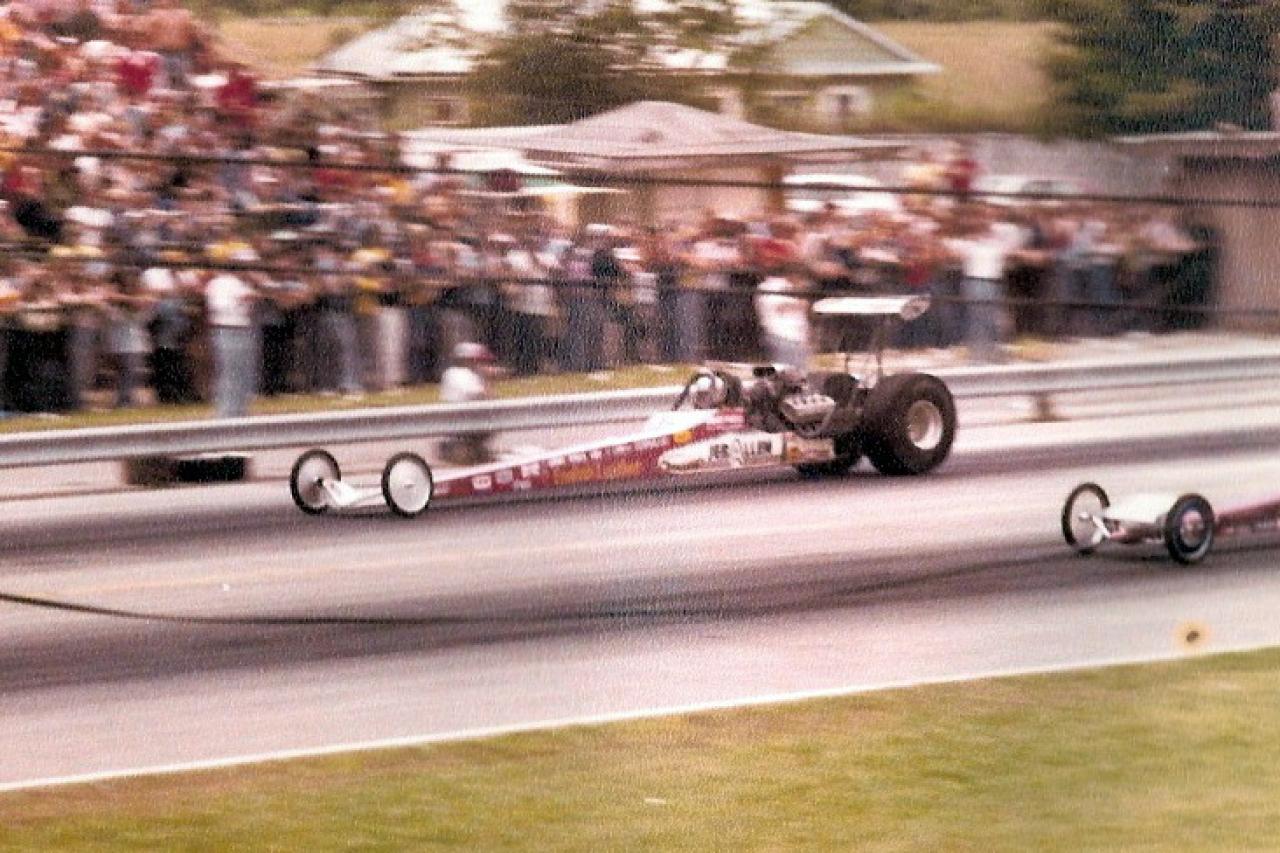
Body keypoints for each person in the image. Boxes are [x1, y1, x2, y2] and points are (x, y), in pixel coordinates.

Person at [439, 341, 499, 465]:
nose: (482, 364)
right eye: (478, 360)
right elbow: (482, 394)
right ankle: (466, 451)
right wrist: (487, 379)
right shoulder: (460, 375)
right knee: (491, 421)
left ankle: (473, 450)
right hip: (463, 421)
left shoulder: (456, 374)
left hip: (461, 419)